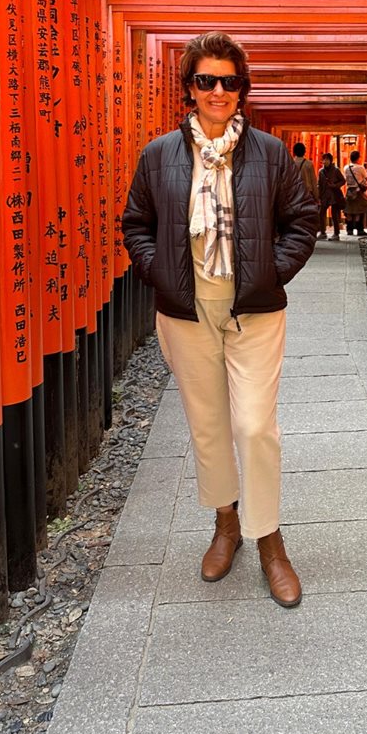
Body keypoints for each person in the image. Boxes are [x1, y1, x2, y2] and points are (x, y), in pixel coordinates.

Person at [122, 32, 318, 607]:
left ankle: (270, 539)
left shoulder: (271, 155)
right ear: (189, 87)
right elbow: (135, 221)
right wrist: (160, 272)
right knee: (208, 427)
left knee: (255, 426)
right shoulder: (159, 155)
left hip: (252, 311)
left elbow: (302, 219)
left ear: (242, 90)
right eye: (206, 80)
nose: (217, 91)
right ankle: (226, 524)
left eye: (229, 81)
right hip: (186, 310)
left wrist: (270, 273)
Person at [317, 152, 346, 241]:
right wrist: (318, 195)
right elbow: (319, 184)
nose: (325, 161)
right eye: (324, 159)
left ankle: (336, 233)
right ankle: (322, 232)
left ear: (330, 160)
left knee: (334, 215)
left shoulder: (336, 170)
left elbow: (343, 181)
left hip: (334, 195)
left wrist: (335, 185)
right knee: (321, 213)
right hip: (324, 195)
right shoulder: (321, 171)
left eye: (327, 159)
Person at [342, 150, 367, 237]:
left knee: (349, 211)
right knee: (359, 210)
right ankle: (359, 229)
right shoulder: (360, 168)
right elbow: (366, 176)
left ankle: (349, 229)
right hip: (358, 191)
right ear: (358, 158)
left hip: (349, 191)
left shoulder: (346, 167)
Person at [292, 141, 319, 207]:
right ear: (304, 152)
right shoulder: (308, 164)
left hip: (295, 193)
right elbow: (313, 181)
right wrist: (316, 197)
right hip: (307, 193)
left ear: (294, 152)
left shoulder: (291, 163)